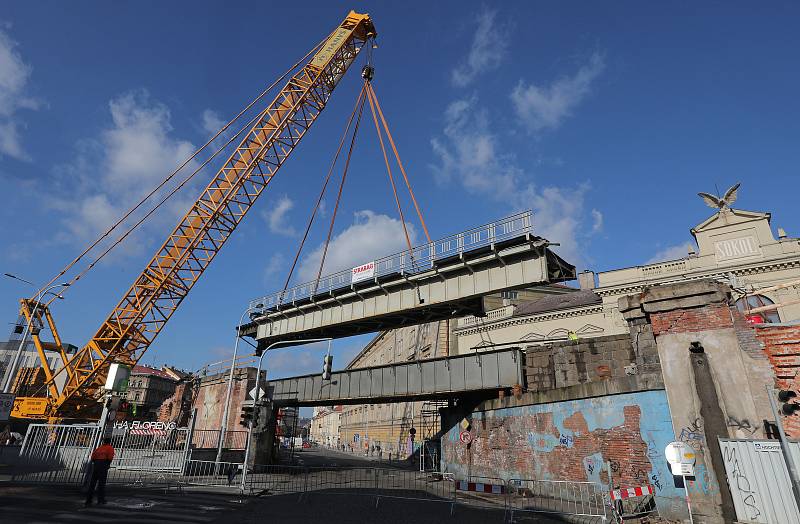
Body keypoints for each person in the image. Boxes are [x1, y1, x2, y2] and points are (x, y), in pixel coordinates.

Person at [85, 437, 115, 506]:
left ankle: (88, 499)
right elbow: (110, 457)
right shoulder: (110, 448)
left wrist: (95, 463)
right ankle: (100, 499)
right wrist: (107, 464)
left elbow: (92, 457)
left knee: (93, 483)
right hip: (103, 464)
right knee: (101, 483)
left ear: (103, 442)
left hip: (96, 464)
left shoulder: (99, 448)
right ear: (109, 442)